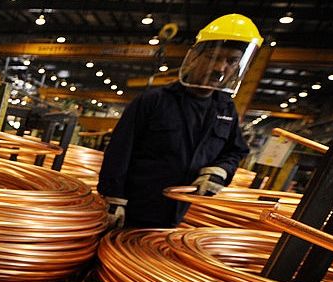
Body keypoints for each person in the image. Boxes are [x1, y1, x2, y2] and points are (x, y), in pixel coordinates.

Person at [98, 14, 263, 228]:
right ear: (195, 56)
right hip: (134, 209)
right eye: (214, 57)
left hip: (178, 212)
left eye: (231, 61)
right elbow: (119, 151)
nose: (220, 68)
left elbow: (235, 151)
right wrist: (113, 198)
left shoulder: (225, 109)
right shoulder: (154, 101)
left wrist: (220, 171)